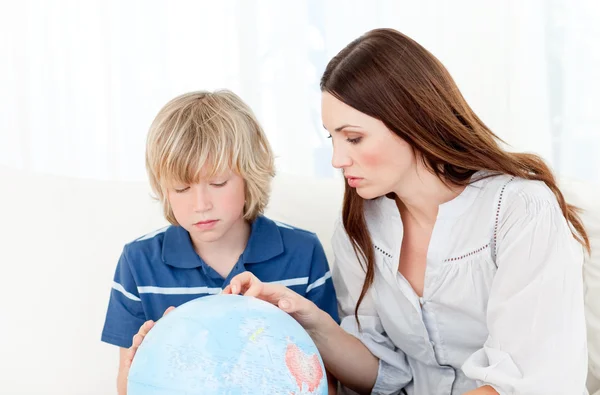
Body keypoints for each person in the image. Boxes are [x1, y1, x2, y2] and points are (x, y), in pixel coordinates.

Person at [224, 28, 591, 395]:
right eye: (331, 138)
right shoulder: (361, 222)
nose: (338, 159)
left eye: (353, 138)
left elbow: (530, 381)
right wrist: (308, 321)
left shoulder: (520, 210)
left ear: (411, 120)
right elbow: (382, 374)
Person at [100, 90, 339, 395]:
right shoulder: (138, 262)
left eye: (218, 183)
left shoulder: (302, 253)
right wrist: (136, 359)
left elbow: (326, 383)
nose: (201, 204)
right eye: (181, 187)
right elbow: (128, 386)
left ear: (249, 176)